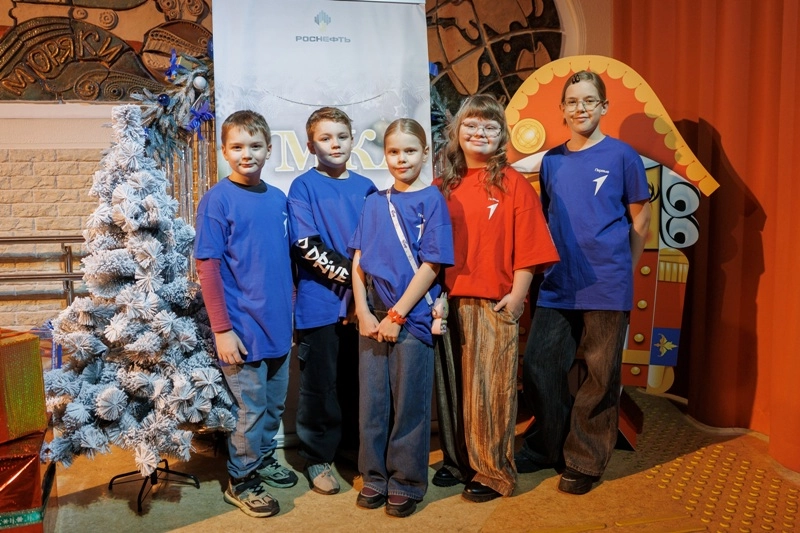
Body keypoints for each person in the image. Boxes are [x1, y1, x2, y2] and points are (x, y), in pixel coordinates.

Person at [516, 70, 652, 495]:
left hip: (607, 283)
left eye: (589, 100)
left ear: (604, 107)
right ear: (562, 109)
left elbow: (641, 219)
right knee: (539, 365)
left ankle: (585, 458)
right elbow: (547, 219)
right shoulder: (551, 161)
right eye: (573, 101)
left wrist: (625, 270)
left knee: (600, 375)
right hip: (557, 282)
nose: (581, 108)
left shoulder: (623, 156)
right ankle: (548, 445)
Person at [435, 94, 559, 502]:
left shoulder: (513, 184)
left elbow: (530, 247)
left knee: (491, 392)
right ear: (457, 132)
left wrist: (518, 296)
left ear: (502, 135)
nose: (480, 133)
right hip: (447, 303)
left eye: (490, 126)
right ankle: (460, 461)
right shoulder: (442, 186)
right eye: (471, 125)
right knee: (455, 390)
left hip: (493, 301)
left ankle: (493, 471)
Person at [194, 110, 298, 518]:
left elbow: (285, 263)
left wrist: (290, 315)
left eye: (255, 146)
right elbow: (208, 267)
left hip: (278, 327)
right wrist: (222, 330)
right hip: (241, 331)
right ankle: (242, 478)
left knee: (273, 406)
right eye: (237, 146)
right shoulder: (217, 200)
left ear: (269, 149)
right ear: (224, 151)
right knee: (249, 411)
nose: (246, 154)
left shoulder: (278, 199)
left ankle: (264, 458)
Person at [349, 118, 454, 518]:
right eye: (394, 151)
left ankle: (407, 480)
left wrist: (397, 314)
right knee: (373, 402)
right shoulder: (374, 201)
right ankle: (374, 475)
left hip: (410, 315)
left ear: (425, 153)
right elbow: (359, 261)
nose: (401, 158)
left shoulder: (432, 200)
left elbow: (432, 264)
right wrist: (362, 310)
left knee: (410, 402)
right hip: (373, 315)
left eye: (410, 151)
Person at [287, 107, 377, 494]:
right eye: (325, 138)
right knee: (319, 387)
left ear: (353, 140)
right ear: (311, 146)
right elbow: (307, 247)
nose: (335, 144)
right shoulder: (302, 187)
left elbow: (376, 245)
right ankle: (317, 456)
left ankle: (355, 450)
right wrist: (355, 286)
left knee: (358, 382)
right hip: (319, 305)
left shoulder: (368, 188)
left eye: (342, 136)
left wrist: (363, 298)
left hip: (362, 308)